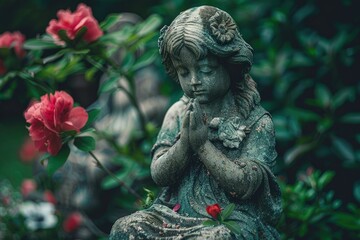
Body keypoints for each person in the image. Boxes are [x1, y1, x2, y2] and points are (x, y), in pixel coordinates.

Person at [110, 5, 281, 239]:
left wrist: (202, 146)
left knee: (216, 237)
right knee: (125, 227)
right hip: (174, 214)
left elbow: (245, 185)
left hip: (231, 218)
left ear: (230, 66)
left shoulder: (256, 121)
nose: (194, 81)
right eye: (183, 72)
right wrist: (184, 144)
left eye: (206, 70)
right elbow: (159, 175)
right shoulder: (178, 113)